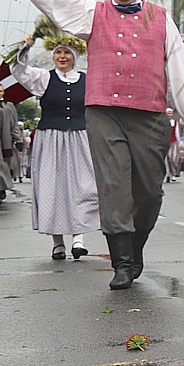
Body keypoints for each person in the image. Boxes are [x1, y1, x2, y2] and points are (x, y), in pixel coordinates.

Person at [3, 0, 184, 290]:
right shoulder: (91, 12)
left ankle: (136, 247)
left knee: (149, 192)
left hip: (149, 115)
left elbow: (179, 67)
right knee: (112, 186)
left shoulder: (162, 19)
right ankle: (122, 262)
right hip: (103, 113)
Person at [10, 35, 99, 260]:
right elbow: (19, 70)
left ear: (74, 57)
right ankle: (58, 242)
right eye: (58, 52)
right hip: (50, 139)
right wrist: (26, 46)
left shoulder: (87, 80)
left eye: (67, 53)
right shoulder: (43, 78)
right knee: (53, 188)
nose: (62, 56)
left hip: (80, 138)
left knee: (84, 185)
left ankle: (79, 238)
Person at [0, 85, 19, 205]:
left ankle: (2, 190)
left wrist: (17, 140)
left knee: (3, 168)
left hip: (4, 141)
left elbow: (13, 125)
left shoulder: (8, 107)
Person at [165, 108, 181, 183]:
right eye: (169, 113)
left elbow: (177, 133)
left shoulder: (175, 122)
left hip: (173, 142)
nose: (170, 115)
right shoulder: (164, 122)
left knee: (172, 158)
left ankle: (173, 172)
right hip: (166, 142)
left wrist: (179, 143)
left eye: (171, 113)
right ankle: (169, 174)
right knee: (167, 159)